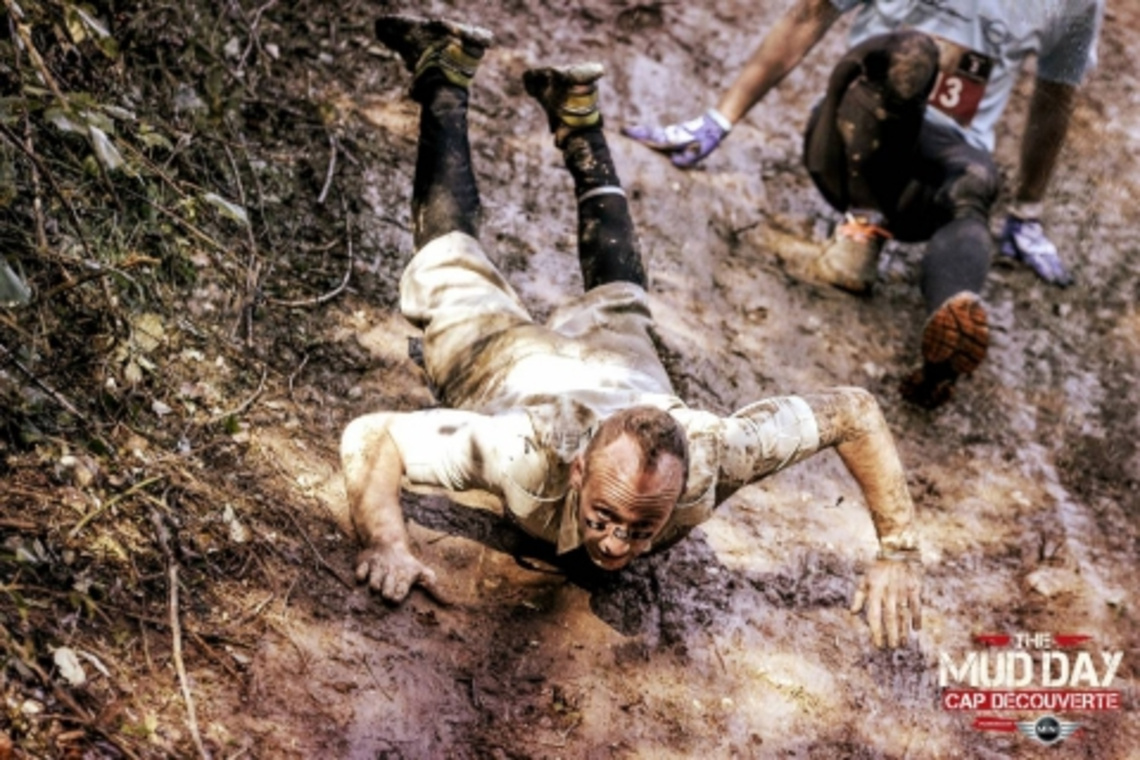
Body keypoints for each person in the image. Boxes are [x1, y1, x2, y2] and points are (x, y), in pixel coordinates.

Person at [344, 15, 923, 648]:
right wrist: (387, 542)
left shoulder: (718, 454)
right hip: (509, 368)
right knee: (449, 261)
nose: (617, 544)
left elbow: (854, 412)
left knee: (621, 301)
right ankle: (447, 75)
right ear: (576, 470)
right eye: (605, 517)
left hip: (616, 369)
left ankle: (575, 115)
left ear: (682, 487)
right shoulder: (524, 453)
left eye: (642, 528)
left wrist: (900, 550)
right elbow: (376, 435)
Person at [623, 0, 1104, 408]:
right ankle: (862, 224)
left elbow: (1056, 96)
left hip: (933, 173)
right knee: (913, 53)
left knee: (977, 180)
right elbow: (811, 14)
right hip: (848, 145)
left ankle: (950, 327)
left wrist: (1026, 212)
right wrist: (718, 119)